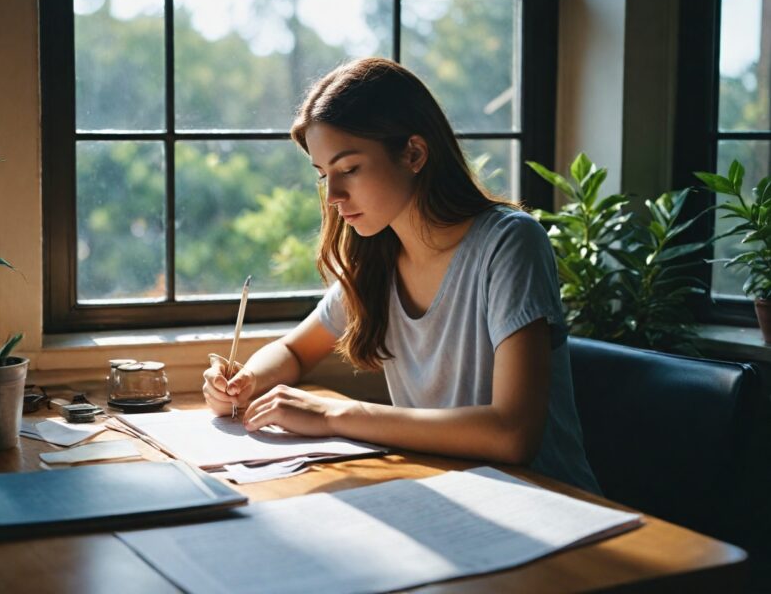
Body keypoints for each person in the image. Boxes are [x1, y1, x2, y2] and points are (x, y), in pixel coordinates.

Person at [203, 57, 600, 493]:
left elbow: (512, 434)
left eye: (349, 169)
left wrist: (334, 414)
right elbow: (295, 352)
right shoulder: (375, 258)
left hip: (550, 504)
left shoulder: (509, 243)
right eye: (323, 176)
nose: (333, 196)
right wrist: (246, 381)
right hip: (449, 494)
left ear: (413, 153)